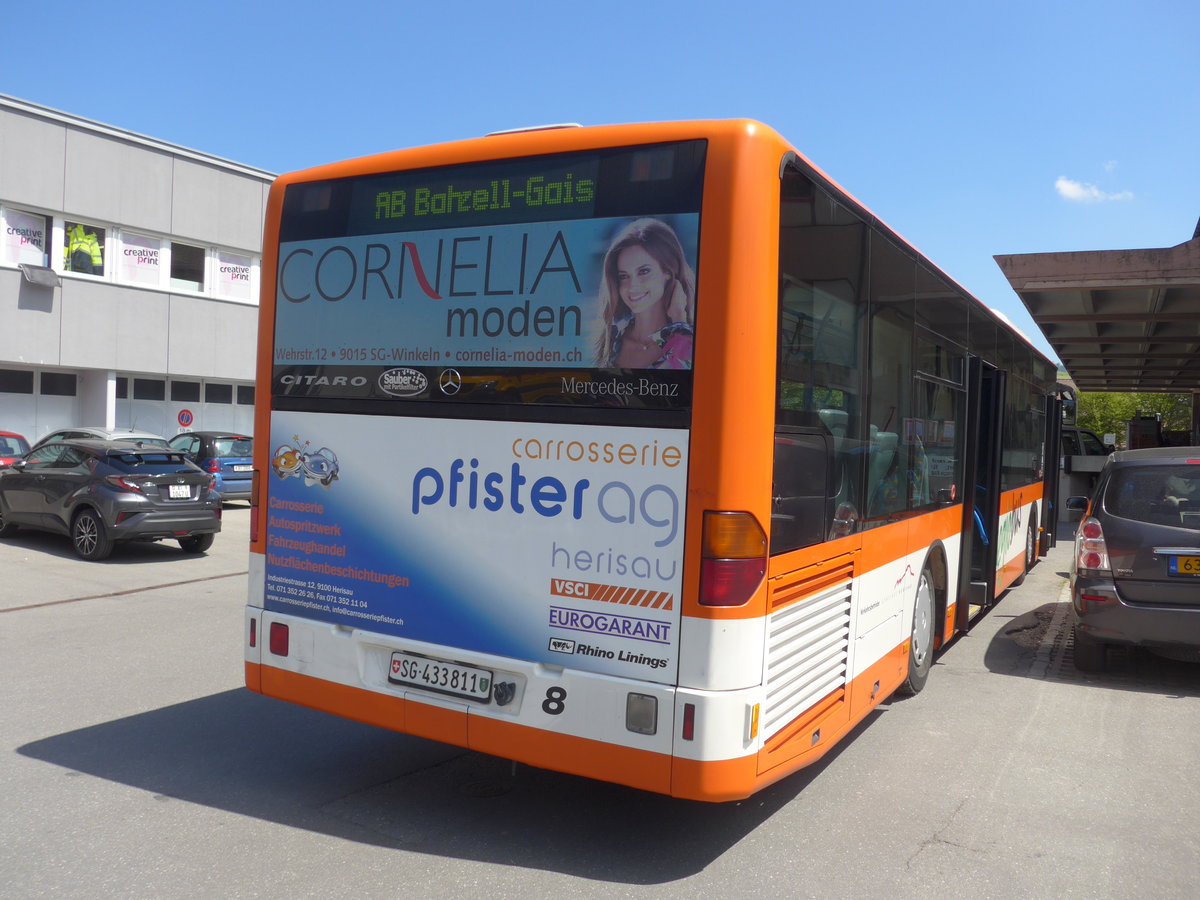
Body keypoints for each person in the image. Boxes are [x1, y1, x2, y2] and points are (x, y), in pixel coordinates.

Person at [594, 218, 696, 369]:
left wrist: (678, 321)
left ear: (668, 271)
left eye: (644, 271)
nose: (632, 286)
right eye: (623, 276)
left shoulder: (695, 341)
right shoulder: (610, 342)